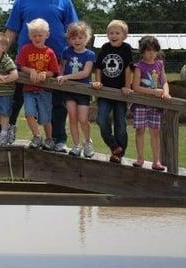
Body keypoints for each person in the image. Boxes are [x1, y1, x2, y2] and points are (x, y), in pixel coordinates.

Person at [5, 0, 78, 151]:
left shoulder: (64, 0)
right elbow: (12, 29)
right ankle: (8, 130)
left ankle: (58, 138)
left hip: (56, 61)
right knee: (17, 97)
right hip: (26, 60)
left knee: (57, 103)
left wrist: (73, 56)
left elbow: (73, 31)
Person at [92, 20, 133, 163]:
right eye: (111, 33)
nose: (114, 35)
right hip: (105, 92)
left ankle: (118, 154)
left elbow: (128, 68)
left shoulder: (126, 48)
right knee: (102, 120)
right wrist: (98, 82)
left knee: (121, 124)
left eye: (117, 33)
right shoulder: (105, 47)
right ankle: (114, 145)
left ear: (124, 36)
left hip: (120, 93)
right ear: (107, 35)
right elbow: (98, 67)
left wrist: (127, 86)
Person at [16, 18, 60, 149]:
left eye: (40, 35)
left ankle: (49, 139)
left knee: (45, 118)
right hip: (28, 89)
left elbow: (54, 71)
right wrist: (31, 71)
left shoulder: (50, 52)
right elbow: (20, 66)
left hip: (44, 91)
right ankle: (36, 136)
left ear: (47, 35)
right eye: (34, 35)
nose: (37, 38)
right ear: (29, 36)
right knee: (29, 114)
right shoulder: (25, 49)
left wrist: (45, 74)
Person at [131, 35, 171, 171]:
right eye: (148, 50)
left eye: (154, 50)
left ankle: (156, 161)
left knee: (155, 131)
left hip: (156, 104)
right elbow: (135, 87)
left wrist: (166, 92)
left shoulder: (160, 64)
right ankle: (140, 158)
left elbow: (164, 81)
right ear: (142, 51)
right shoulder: (138, 66)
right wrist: (153, 92)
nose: (151, 53)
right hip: (141, 103)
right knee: (140, 130)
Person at [56, 22, 96, 158]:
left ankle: (87, 142)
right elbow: (62, 67)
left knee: (83, 119)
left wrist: (67, 76)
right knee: (72, 118)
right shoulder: (67, 51)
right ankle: (76, 145)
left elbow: (85, 73)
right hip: (69, 90)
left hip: (83, 91)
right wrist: (60, 77)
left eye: (80, 37)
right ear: (69, 39)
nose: (77, 41)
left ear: (87, 38)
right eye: (73, 38)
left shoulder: (90, 54)